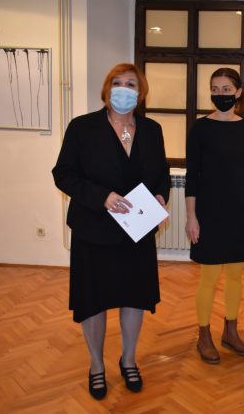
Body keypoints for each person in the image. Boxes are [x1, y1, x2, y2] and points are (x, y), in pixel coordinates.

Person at [52, 63, 170, 399]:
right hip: (94, 229)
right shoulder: (83, 127)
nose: (123, 88)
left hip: (137, 231)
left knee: (134, 297)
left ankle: (128, 359)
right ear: (107, 89)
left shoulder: (152, 129)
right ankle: (96, 365)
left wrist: (161, 195)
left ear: (140, 92)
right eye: (117, 82)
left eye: (131, 83)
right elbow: (64, 174)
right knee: (94, 301)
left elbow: (161, 172)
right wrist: (102, 197)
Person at [185, 68, 244, 364]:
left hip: (240, 210)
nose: (220, 94)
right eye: (215, 89)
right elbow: (192, 176)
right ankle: (203, 335)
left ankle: (230, 331)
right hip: (209, 211)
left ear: (238, 92)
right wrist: (191, 217)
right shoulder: (201, 128)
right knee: (209, 276)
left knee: (235, 275)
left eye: (226, 89)